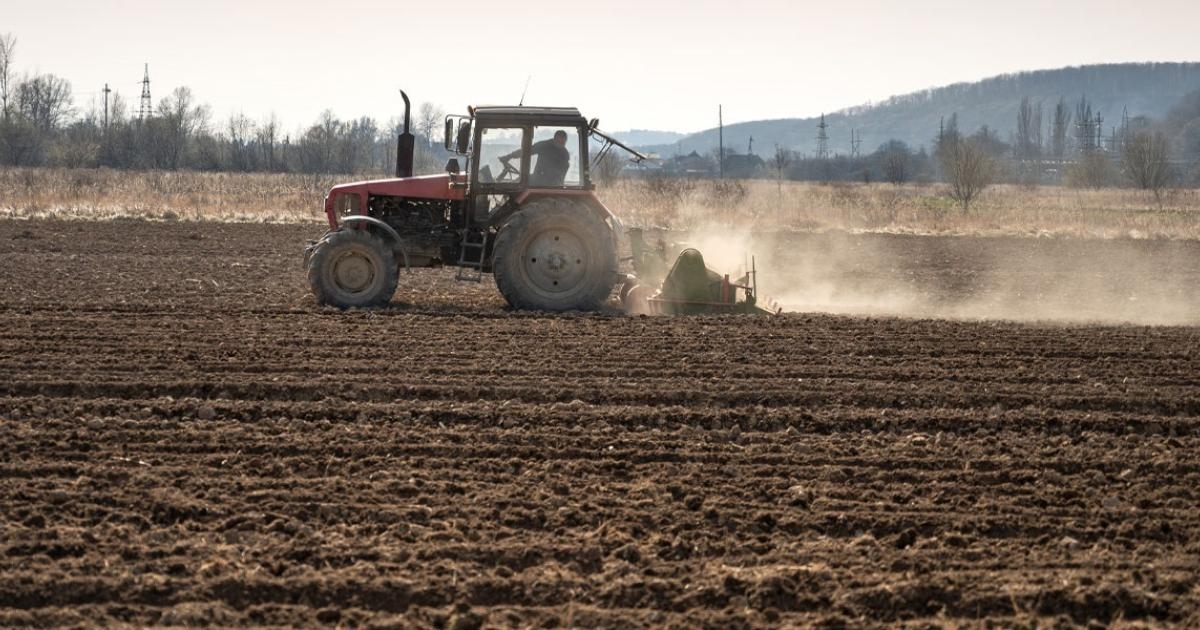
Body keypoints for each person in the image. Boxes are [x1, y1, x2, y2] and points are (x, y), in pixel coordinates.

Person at [500, 130, 570, 186]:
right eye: (559, 142)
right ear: (554, 139)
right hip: (539, 178)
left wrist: (558, 184)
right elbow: (526, 151)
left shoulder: (565, 154)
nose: (561, 145)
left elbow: (561, 173)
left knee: (517, 184)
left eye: (563, 143)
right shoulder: (544, 146)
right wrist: (509, 156)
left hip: (550, 182)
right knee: (517, 182)